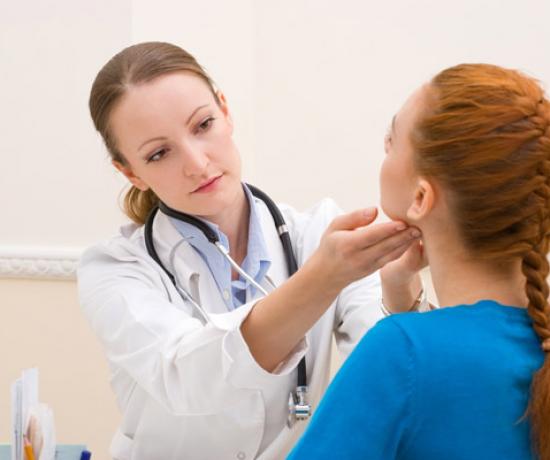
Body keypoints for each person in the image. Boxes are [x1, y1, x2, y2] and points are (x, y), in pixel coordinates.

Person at [77, 41, 424, 460]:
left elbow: (390, 373)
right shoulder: (114, 270)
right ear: (131, 172)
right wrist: (321, 279)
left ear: (225, 111)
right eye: (159, 153)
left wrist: (399, 285)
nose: (197, 163)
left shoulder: (318, 235)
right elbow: (186, 376)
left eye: (203, 125)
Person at [288, 63, 550, 460]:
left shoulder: (401, 352)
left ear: (421, 198)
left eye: (392, 140)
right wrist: (402, 298)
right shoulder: (534, 350)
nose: (384, 150)